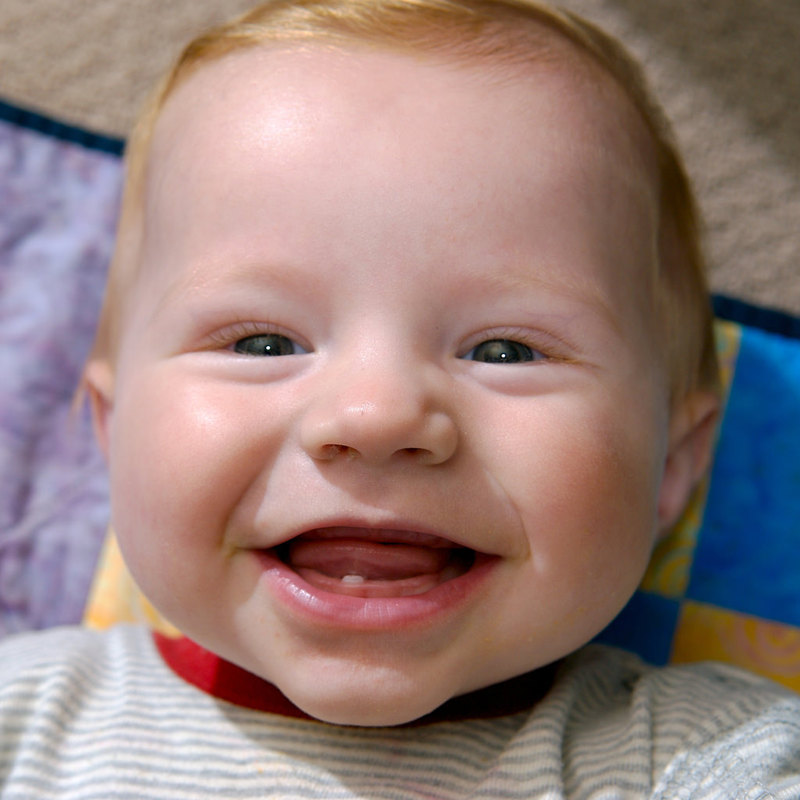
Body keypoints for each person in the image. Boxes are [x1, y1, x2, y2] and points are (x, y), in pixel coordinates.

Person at [2, 0, 799, 796]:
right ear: (114, 429)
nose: (375, 418)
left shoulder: (709, 757)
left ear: (673, 465)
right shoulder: (23, 719)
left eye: (506, 351)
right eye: (263, 344)